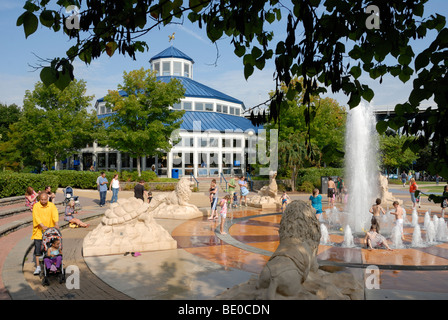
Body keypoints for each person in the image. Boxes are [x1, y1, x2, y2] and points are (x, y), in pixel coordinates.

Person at [31, 192, 59, 275]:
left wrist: (56, 224)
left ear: (48, 199)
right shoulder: (36, 206)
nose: (43, 201)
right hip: (39, 232)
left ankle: (52, 264)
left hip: (49, 231)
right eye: (42, 200)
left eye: (45, 199)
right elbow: (36, 217)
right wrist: (42, 225)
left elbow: (55, 214)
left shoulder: (51, 205)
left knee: (51, 247)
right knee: (38, 249)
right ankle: (38, 267)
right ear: (39, 199)